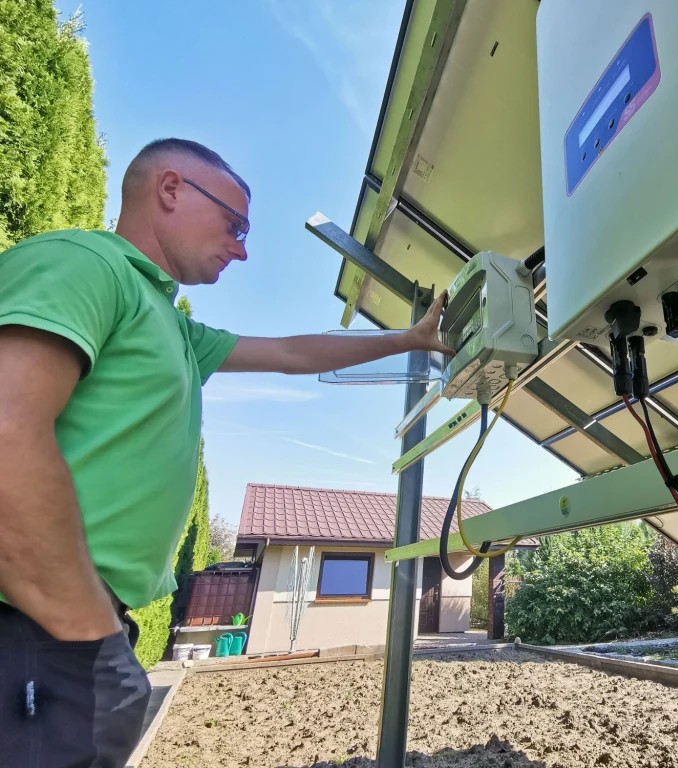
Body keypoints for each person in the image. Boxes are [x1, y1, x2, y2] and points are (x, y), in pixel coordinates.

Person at [0, 138, 453, 767]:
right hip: (33, 625)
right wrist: (86, 632)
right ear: (170, 189)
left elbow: (295, 353)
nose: (242, 247)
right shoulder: (85, 264)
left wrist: (409, 338)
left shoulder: (173, 324)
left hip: (64, 626)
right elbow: (6, 430)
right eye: (235, 223)